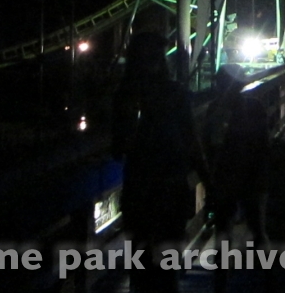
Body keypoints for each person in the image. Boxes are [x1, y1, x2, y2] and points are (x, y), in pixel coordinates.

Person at [112, 31, 208, 293]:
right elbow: (191, 140)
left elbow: (117, 148)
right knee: (166, 266)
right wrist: (207, 179)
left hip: (141, 192)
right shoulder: (173, 92)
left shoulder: (125, 95)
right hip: (170, 189)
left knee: (141, 268)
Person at [202, 64, 271, 247]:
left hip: (224, 176)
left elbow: (209, 145)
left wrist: (209, 181)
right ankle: (268, 272)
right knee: (257, 229)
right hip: (253, 176)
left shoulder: (214, 110)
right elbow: (264, 144)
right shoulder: (255, 106)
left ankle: (222, 274)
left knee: (223, 231)